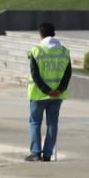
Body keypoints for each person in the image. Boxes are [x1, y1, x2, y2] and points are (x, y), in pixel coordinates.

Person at [26, 22, 71, 162]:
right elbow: (68, 74)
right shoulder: (64, 51)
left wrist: (46, 90)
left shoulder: (36, 50)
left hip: (38, 95)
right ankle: (47, 155)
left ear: (41, 34)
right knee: (52, 124)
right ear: (54, 33)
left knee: (35, 123)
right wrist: (59, 90)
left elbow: (35, 74)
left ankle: (35, 153)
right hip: (57, 96)